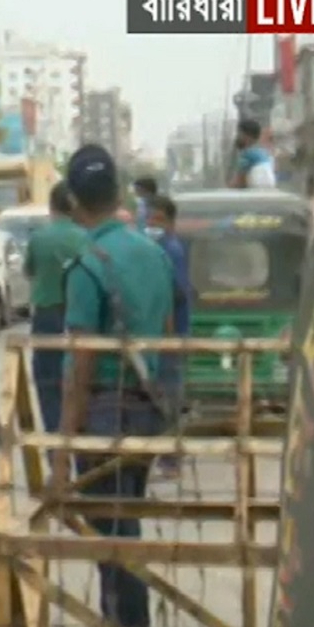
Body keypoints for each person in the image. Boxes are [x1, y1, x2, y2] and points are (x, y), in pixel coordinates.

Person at [56, 144, 174, 627]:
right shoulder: (153, 253)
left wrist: (63, 447)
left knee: (114, 536)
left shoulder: (86, 267)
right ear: (121, 194)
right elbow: (168, 331)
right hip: (149, 408)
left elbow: (80, 368)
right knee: (123, 527)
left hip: (106, 413)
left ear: (76, 202)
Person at [25, 181, 87, 431]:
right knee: (81, 382)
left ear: (51, 207)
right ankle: (83, 453)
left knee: (49, 385)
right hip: (80, 317)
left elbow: (29, 271)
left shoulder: (39, 238)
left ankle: (55, 453)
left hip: (47, 317)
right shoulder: (85, 238)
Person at [146, 195, 191, 478]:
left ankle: (172, 459)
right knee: (160, 395)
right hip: (163, 336)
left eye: (158, 219)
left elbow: (174, 293)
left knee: (169, 397)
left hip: (170, 336)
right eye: (150, 218)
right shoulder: (158, 248)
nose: (152, 224)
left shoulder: (170, 250)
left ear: (171, 223)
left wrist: (169, 335)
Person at [229, 119, 276, 189]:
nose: (236, 137)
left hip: (256, 193)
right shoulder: (263, 153)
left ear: (247, 136)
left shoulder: (247, 154)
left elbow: (239, 181)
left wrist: (226, 188)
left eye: (239, 133)